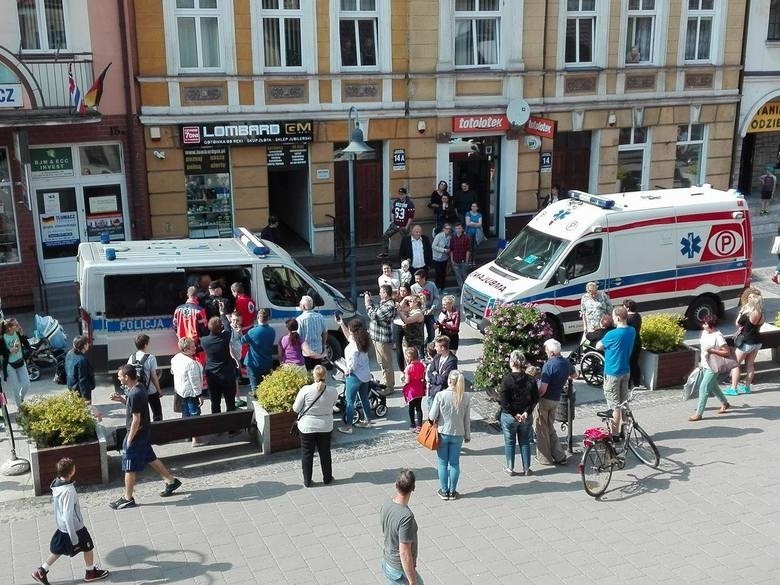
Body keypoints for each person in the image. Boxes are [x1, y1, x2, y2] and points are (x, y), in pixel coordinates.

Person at [109, 364, 182, 510]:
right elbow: (135, 407)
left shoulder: (135, 393)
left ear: (126, 377)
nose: (118, 378)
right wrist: (122, 400)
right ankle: (171, 481)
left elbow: (136, 418)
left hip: (136, 434)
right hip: (143, 433)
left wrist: (129, 439)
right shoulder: (139, 387)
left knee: (129, 466)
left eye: (119, 376)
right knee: (150, 457)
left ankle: (128, 498)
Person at [31, 457, 110, 585]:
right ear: (72, 471)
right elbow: (68, 514)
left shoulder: (57, 485)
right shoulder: (69, 490)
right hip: (74, 527)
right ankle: (90, 573)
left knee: (58, 550)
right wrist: (73, 537)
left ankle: (41, 571)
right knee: (88, 546)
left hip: (62, 526)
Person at [293, 365, 339, 487]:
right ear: (326, 376)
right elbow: (334, 403)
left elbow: (296, 408)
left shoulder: (305, 390)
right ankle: (327, 478)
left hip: (307, 426)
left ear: (313, 375)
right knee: (325, 453)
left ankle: (307, 481)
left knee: (307, 454)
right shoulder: (333, 391)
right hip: (325, 426)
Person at [428, 370, 471, 500]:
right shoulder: (465, 396)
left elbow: (431, 416)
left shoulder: (441, 395)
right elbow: (467, 419)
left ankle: (444, 490)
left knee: (442, 463)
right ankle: (453, 491)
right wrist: (467, 435)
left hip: (442, 432)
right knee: (454, 463)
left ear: (448, 381)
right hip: (458, 433)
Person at [498, 351, 539, 476]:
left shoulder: (506, 380)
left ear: (512, 362)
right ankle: (527, 468)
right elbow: (535, 398)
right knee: (525, 441)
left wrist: (515, 414)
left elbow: (504, 401)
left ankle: (510, 468)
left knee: (510, 442)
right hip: (526, 416)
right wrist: (526, 412)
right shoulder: (531, 379)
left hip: (509, 416)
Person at [597, 306, 636, 437]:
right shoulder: (632, 331)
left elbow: (598, 346)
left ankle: (614, 435)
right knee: (624, 402)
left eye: (613, 317)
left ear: (618, 318)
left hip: (612, 372)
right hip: (626, 370)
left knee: (614, 405)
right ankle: (625, 431)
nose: (612, 319)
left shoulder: (611, 334)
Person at [535, 340, 575, 466]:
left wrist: (536, 398)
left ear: (551, 352)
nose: (545, 351)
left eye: (546, 350)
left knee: (541, 429)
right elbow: (574, 374)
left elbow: (543, 389)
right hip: (556, 399)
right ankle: (559, 455)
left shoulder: (549, 365)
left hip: (545, 400)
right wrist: (565, 377)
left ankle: (544, 458)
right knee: (550, 427)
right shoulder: (565, 362)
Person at [380, 469, 423, 585]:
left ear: (396, 485)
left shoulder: (386, 505)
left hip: (387, 561)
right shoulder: (406, 517)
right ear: (413, 487)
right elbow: (404, 552)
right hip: (399, 570)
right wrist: (412, 581)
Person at [689, 315, 732, 421]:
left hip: (713, 366)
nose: (703, 325)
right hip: (704, 364)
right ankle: (725, 403)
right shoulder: (705, 332)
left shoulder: (718, 336)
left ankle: (699, 413)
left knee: (704, 387)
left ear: (711, 326)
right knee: (713, 386)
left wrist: (713, 351)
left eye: (705, 324)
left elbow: (727, 352)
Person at [337, 319, 373, 434]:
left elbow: (352, 367)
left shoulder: (352, 347)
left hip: (354, 376)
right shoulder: (362, 340)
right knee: (364, 398)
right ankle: (368, 421)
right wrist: (341, 323)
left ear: (351, 330)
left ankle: (348, 426)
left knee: (350, 401)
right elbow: (349, 337)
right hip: (365, 375)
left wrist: (343, 367)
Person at [725, 291, 764, 396]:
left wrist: (741, 313)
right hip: (757, 342)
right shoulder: (761, 314)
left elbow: (737, 323)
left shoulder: (748, 314)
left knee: (735, 364)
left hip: (746, 342)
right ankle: (747, 387)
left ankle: (734, 388)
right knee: (750, 365)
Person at [170, 337, 207, 447]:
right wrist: (199, 395)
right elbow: (195, 381)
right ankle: (196, 440)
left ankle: (187, 435)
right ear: (185, 349)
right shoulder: (191, 363)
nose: (195, 347)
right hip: (191, 393)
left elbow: (172, 371)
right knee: (194, 415)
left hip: (180, 391)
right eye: (192, 347)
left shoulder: (176, 358)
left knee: (185, 414)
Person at [201, 312, 238, 413]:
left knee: (215, 403)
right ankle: (232, 427)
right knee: (230, 402)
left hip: (212, 376)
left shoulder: (204, 341)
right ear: (220, 328)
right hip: (227, 375)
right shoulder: (225, 337)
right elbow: (228, 327)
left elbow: (204, 331)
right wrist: (222, 314)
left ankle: (217, 426)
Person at [366, 285, 397, 394]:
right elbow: (376, 309)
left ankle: (389, 386)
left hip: (383, 339)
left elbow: (374, 315)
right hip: (377, 337)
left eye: (381, 292)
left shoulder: (389, 306)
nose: (379, 293)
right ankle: (385, 381)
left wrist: (367, 304)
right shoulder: (383, 303)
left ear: (386, 293)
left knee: (386, 363)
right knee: (381, 362)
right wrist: (371, 301)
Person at [127, 333, 163, 422]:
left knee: (141, 414)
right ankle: (158, 430)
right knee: (157, 413)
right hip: (151, 390)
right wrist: (159, 390)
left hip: (138, 390)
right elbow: (154, 377)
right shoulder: (151, 358)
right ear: (146, 344)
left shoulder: (132, 357)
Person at [242, 308, 275, 393]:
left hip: (254, 363)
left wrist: (239, 332)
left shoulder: (253, 331)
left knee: (255, 388)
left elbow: (242, 340)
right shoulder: (272, 331)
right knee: (266, 387)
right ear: (267, 318)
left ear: (257, 317)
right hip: (267, 362)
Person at [0, 317, 31, 409]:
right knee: (15, 388)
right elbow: (1, 351)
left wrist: (22, 335)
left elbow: (27, 346)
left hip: (21, 362)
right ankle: (20, 408)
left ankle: (21, 398)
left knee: (27, 385)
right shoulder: (2, 338)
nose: (18, 326)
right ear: (9, 328)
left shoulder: (18, 333)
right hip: (10, 365)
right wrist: (10, 350)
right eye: (16, 325)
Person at [379, 187, 415, 259]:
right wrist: (393, 221)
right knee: (385, 236)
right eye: (399, 194)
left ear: (405, 194)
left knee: (406, 241)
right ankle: (385, 253)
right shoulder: (396, 202)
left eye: (402, 194)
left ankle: (407, 255)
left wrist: (406, 227)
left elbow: (410, 217)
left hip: (403, 226)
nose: (401, 196)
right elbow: (393, 212)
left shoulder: (409, 204)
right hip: (395, 224)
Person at [296, 295, 328, 370]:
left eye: (300, 304)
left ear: (303, 306)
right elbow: (325, 332)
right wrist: (323, 344)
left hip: (306, 352)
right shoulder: (320, 316)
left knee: (309, 373)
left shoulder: (299, 319)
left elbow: (298, 337)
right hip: (319, 350)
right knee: (318, 371)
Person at [172, 286, 208, 353]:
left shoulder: (178, 309)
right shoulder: (200, 310)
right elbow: (204, 329)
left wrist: (180, 336)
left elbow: (175, 326)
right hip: (195, 345)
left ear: (187, 295)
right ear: (197, 295)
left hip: (183, 344)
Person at [426, 335, 458, 408]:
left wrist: (435, 375)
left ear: (442, 348)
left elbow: (443, 380)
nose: (435, 348)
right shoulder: (437, 356)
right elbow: (429, 372)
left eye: (437, 346)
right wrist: (437, 376)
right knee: (431, 414)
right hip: (433, 391)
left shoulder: (452, 360)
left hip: (444, 393)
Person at [411, 269, 439, 345]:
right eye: (415, 279)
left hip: (430, 312)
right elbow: (413, 302)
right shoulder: (413, 287)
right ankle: (422, 352)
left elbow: (436, 298)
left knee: (432, 333)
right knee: (420, 334)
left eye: (418, 279)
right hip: (419, 314)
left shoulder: (431, 285)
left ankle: (429, 346)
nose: (416, 281)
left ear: (423, 278)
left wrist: (432, 308)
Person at [65, 335, 95, 405]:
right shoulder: (82, 360)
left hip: (72, 387)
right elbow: (83, 380)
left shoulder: (69, 353)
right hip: (80, 391)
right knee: (84, 410)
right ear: (84, 346)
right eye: (87, 343)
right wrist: (86, 398)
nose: (89, 345)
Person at [402, 347, 426, 433]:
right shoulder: (421, 365)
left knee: (411, 408)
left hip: (412, 390)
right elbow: (423, 376)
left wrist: (403, 379)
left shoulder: (409, 368)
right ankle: (420, 425)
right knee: (419, 407)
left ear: (408, 357)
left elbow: (407, 380)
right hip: (419, 388)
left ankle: (412, 424)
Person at [399, 294, 426, 362]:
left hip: (415, 342)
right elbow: (401, 307)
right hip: (408, 340)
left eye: (411, 301)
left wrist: (399, 311)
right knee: (408, 361)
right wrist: (405, 299)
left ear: (416, 303)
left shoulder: (418, 313)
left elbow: (407, 320)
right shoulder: (411, 311)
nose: (409, 303)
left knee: (414, 361)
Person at [623, 299, 642, 388]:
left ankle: (628, 384)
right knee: (635, 363)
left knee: (629, 363)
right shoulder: (638, 316)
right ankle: (637, 382)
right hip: (638, 342)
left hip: (630, 344)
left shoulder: (627, 319)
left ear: (627, 308)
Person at [394, 284, 412, 370]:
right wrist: (404, 299)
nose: (402, 293)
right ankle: (402, 370)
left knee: (410, 347)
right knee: (399, 348)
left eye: (404, 291)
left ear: (408, 291)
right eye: (401, 290)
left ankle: (410, 366)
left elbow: (412, 309)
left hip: (409, 324)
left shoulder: (412, 299)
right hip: (397, 324)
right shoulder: (396, 299)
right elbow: (398, 309)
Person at [449, 223, 472, 289]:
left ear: (462, 229)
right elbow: (451, 250)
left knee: (464, 276)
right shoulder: (453, 238)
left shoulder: (466, 238)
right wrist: (452, 260)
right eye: (456, 229)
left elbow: (468, 250)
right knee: (458, 277)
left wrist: (467, 261)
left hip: (463, 261)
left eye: (459, 228)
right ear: (455, 230)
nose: (458, 230)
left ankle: (465, 290)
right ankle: (461, 289)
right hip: (455, 261)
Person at [430, 223, 451, 292]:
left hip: (444, 258)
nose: (448, 230)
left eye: (449, 229)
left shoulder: (450, 237)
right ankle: (436, 288)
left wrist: (448, 250)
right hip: (437, 258)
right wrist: (443, 250)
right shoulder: (439, 236)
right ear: (443, 229)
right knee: (438, 273)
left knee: (443, 274)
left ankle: (442, 288)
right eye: (447, 229)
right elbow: (433, 246)